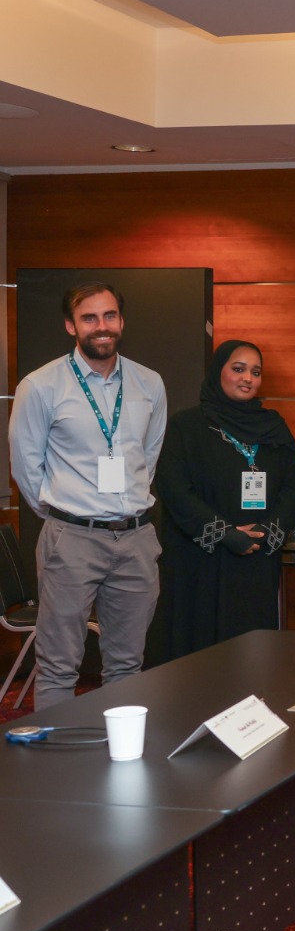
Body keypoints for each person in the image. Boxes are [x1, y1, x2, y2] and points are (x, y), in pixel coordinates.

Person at [9, 282, 167, 711]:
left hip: (135, 540)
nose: (102, 327)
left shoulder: (149, 384)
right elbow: (25, 466)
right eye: (89, 318)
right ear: (70, 325)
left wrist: (122, 502)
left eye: (110, 316)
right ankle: (58, 771)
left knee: (126, 665)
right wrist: (66, 512)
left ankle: (117, 763)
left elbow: (147, 458)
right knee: (59, 665)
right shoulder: (40, 386)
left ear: (122, 321)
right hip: (72, 538)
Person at [154, 340, 295, 660]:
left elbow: (293, 485)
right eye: (238, 369)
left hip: (256, 559)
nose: (247, 378)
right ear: (217, 372)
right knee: (201, 652)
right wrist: (224, 533)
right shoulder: (187, 426)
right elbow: (175, 489)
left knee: (252, 655)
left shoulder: (274, 427)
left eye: (255, 372)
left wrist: (267, 532)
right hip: (200, 560)